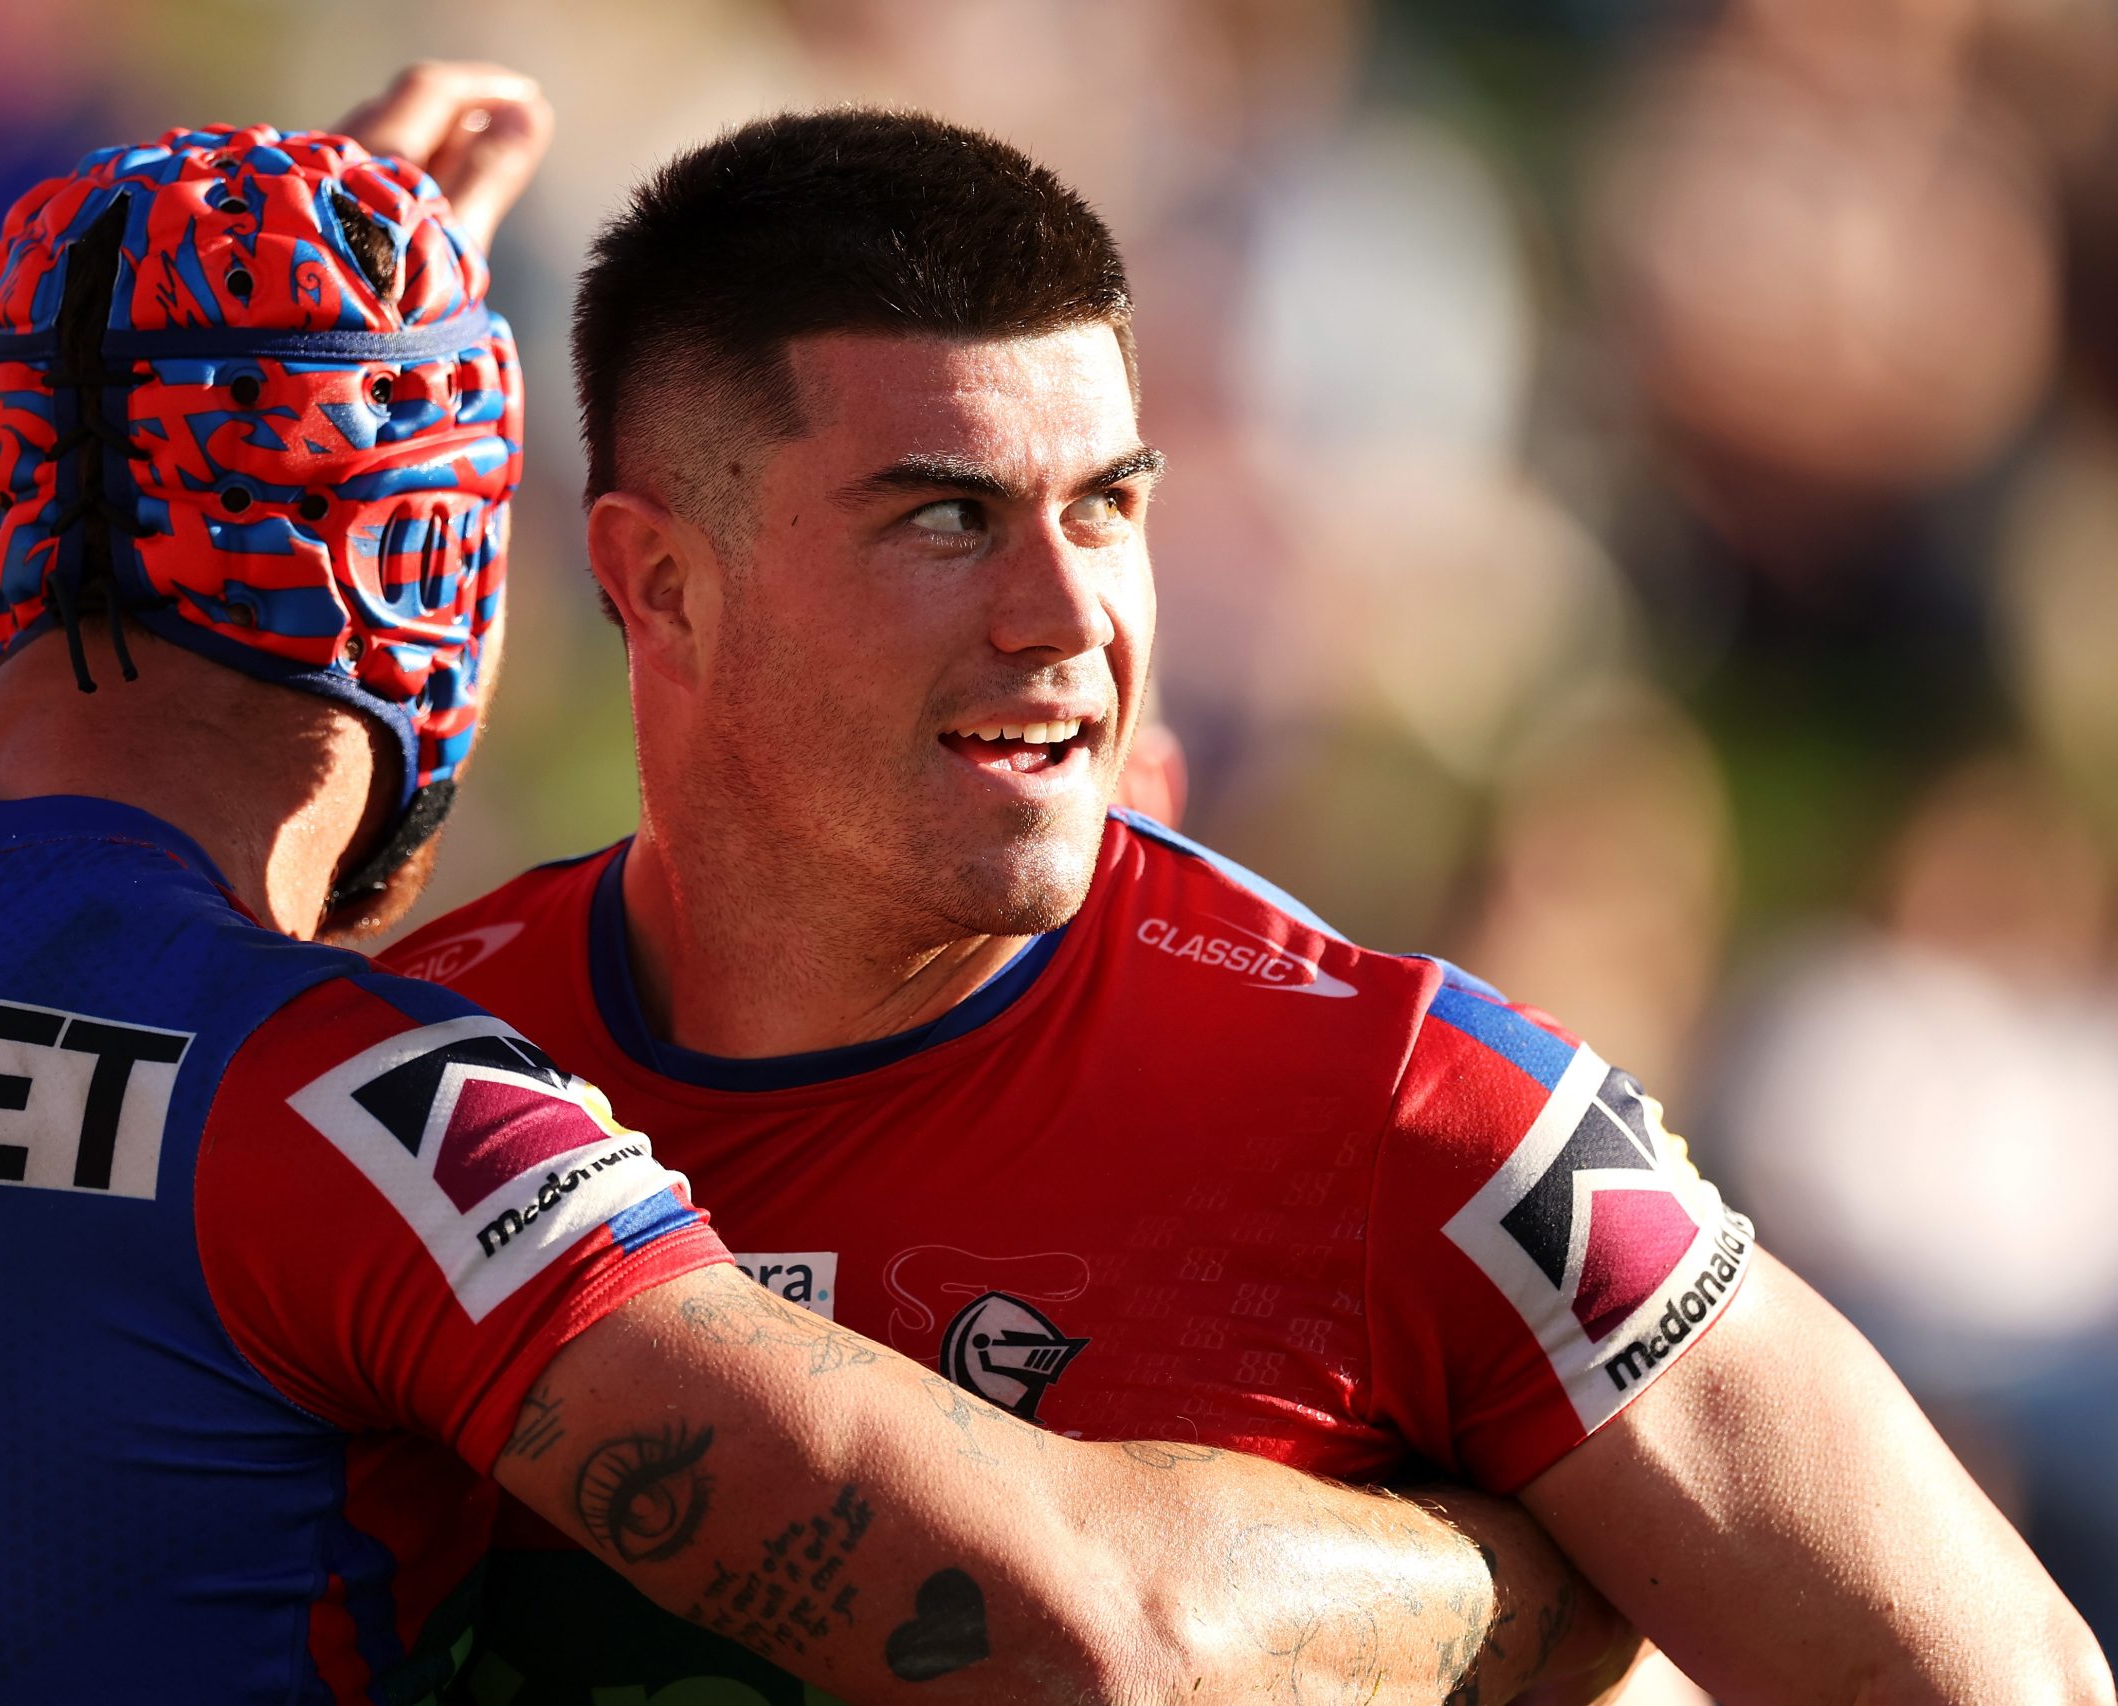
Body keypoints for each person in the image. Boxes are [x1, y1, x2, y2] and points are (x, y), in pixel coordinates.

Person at [0, 75, 1632, 1706]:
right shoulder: (353, 1110)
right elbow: (1073, 1635)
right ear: (438, 565)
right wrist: (1523, 1583)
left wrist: (234, 375)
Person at [380, 109, 2117, 1705]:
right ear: (657, 581)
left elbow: (1999, 1678)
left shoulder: (1422, 1109)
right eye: (944, 517)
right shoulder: (399, 1088)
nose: (1067, 614)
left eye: (1109, 505)